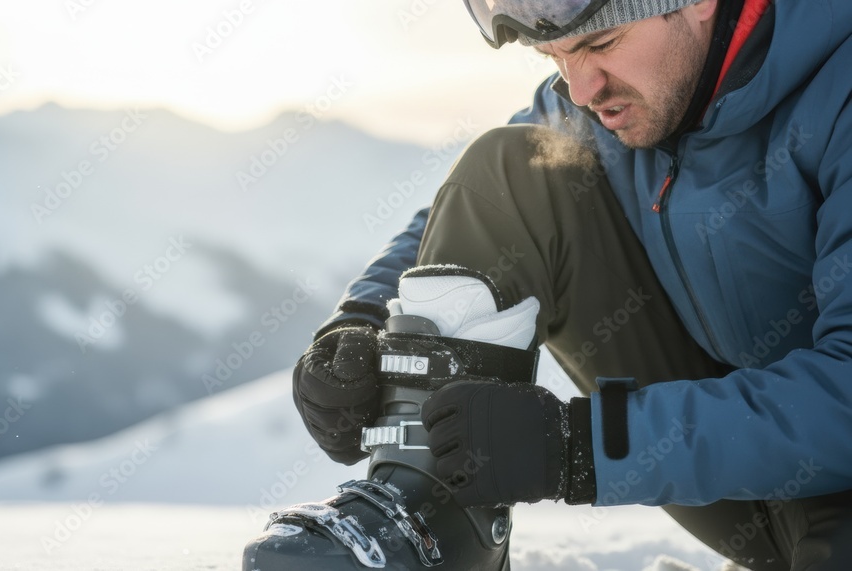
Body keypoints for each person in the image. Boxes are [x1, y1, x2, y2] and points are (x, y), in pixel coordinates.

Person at [284, 0, 852, 569]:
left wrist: (578, 446)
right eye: (553, 55)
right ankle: (430, 528)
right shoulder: (613, 101)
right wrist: (360, 322)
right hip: (736, 477)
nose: (581, 90)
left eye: (600, 45)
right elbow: (481, 205)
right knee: (512, 166)